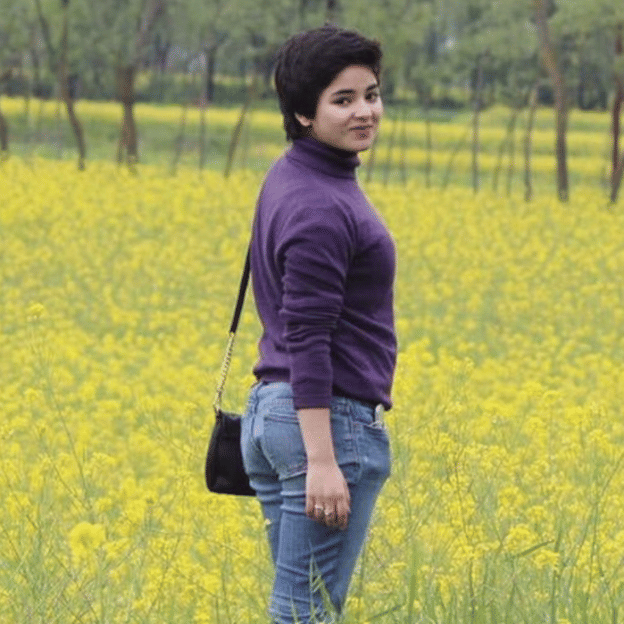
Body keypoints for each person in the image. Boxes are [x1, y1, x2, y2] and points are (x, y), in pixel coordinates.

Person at [240, 24, 397, 624]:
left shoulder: (293, 175)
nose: (365, 112)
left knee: (297, 608)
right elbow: (309, 335)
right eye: (343, 99)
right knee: (305, 614)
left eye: (371, 95)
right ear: (304, 113)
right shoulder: (320, 206)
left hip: (276, 413)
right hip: (324, 423)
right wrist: (324, 461)